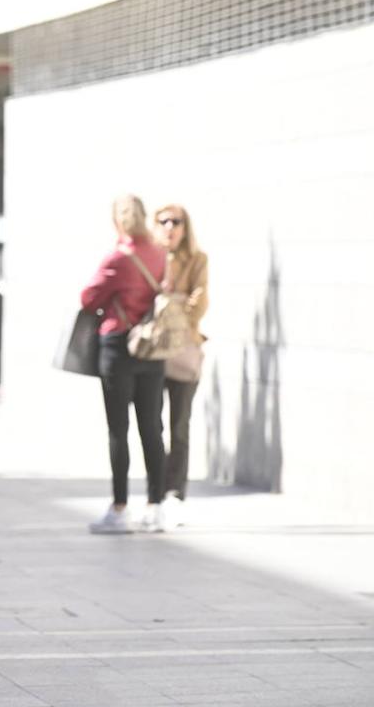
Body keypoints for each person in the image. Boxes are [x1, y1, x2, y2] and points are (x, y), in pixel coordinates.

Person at [81, 194, 169, 535]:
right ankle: (156, 505)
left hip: (119, 346)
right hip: (152, 348)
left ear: (118, 222)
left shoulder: (119, 258)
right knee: (152, 427)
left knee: (119, 429)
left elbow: (88, 298)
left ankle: (119, 508)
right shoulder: (159, 254)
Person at [154, 204, 209, 523]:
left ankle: (175, 490)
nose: (170, 227)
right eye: (163, 221)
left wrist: (168, 307)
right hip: (154, 353)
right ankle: (156, 488)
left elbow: (199, 302)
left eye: (176, 222)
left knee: (180, 424)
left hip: (185, 351)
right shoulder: (152, 259)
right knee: (152, 424)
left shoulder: (198, 260)